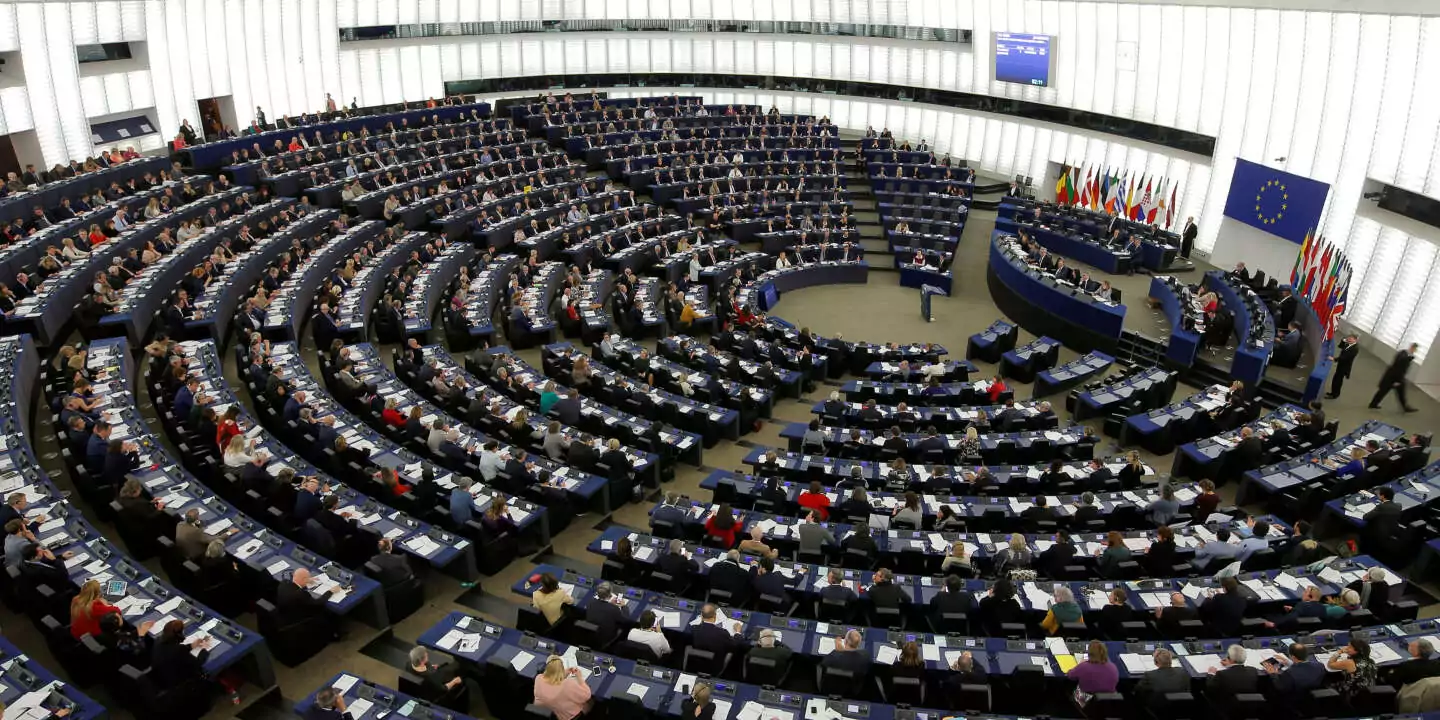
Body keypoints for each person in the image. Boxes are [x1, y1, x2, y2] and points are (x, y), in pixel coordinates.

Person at [151, 619, 212, 686]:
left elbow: (172, 650)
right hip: (171, 680)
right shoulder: (179, 649)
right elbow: (197, 663)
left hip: (157, 673)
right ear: (179, 634)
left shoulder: (158, 639)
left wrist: (191, 645)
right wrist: (204, 649)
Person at [533, 655, 593, 720]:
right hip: (568, 716)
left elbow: (554, 679)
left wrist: (565, 673)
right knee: (591, 701)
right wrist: (579, 677)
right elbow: (587, 695)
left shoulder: (538, 678)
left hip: (550, 711)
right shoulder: (568, 684)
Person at [1370, 342, 1418, 412]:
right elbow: (1398, 367)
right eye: (1414, 349)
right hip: (1393, 377)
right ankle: (1373, 404)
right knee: (1383, 391)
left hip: (1396, 377)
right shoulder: (1404, 355)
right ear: (1411, 347)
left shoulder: (1404, 353)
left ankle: (1405, 407)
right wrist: (1397, 381)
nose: (1414, 350)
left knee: (1399, 392)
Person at [585, 581, 627, 646]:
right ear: (610, 593)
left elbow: (602, 609)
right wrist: (624, 606)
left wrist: (610, 604)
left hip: (590, 633)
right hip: (605, 638)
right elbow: (625, 620)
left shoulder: (591, 602)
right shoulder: (614, 609)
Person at [1327, 333, 1360, 399]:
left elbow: (1345, 358)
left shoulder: (1355, 348)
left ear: (1355, 340)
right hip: (1341, 365)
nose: (1349, 339)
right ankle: (1333, 392)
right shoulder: (1349, 344)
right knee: (1336, 379)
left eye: (1351, 338)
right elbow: (1340, 346)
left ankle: (1335, 395)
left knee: (1338, 381)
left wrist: (1334, 359)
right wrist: (1344, 340)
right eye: (1349, 338)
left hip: (1344, 367)